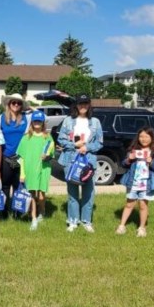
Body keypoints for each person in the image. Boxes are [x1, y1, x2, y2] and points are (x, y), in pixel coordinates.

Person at [57, 94, 104, 233]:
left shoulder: (95, 122)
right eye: (80, 103)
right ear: (76, 105)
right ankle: (73, 220)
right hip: (70, 160)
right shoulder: (68, 121)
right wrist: (74, 145)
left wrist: (87, 148)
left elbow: (99, 142)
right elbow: (61, 139)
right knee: (72, 193)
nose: (83, 106)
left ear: (89, 105)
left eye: (85, 103)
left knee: (88, 193)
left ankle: (86, 221)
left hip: (88, 161)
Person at [117, 127, 154, 237]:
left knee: (143, 205)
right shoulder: (133, 151)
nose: (143, 139)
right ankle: (122, 226)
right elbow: (124, 164)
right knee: (129, 204)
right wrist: (130, 159)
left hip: (147, 184)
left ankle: (142, 228)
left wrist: (151, 162)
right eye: (141, 136)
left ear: (152, 138)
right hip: (133, 182)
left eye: (147, 137)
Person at [17, 111, 55, 231]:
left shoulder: (47, 137)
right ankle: (33, 218)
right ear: (32, 122)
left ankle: (42, 213)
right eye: (35, 121)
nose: (37, 123)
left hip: (43, 169)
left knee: (41, 195)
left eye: (39, 121)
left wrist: (47, 156)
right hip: (30, 170)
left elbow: (51, 154)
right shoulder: (26, 138)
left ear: (43, 122)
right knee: (32, 195)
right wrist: (22, 173)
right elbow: (21, 157)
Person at [0, 93, 30, 218]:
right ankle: (4, 212)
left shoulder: (26, 118)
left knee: (18, 187)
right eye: (13, 102)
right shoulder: (1, 118)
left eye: (19, 103)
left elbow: (45, 118)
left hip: (21, 158)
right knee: (5, 185)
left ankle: (17, 212)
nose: (16, 105)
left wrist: (30, 108)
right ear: (9, 104)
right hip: (6, 156)